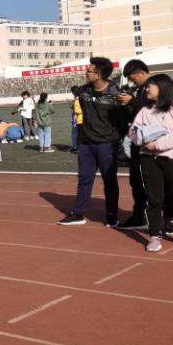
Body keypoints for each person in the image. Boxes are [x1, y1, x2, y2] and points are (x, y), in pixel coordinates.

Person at [129, 74, 173, 253]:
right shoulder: (145, 110)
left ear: (162, 87)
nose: (146, 89)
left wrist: (156, 144)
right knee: (154, 199)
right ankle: (154, 236)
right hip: (149, 159)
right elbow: (133, 132)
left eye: (150, 86)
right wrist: (141, 140)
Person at [60, 57, 128, 227]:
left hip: (107, 144)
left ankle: (112, 214)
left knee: (109, 180)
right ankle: (78, 213)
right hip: (86, 144)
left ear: (98, 74)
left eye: (89, 70)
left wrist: (115, 139)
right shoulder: (83, 91)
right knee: (84, 179)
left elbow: (122, 121)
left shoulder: (116, 94)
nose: (86, 73)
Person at [116, 59, 153, 231]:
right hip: (138, 141)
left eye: (133, 78)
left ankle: (170, 219)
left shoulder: (158, 85)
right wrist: (125, 105)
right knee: (136, 180)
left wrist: (132, 101)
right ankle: (139, 215)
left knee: (156, 183)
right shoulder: (138, 90)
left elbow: (153, 110)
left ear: (141, 73)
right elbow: (135, 114)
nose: (132, 82)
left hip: (155, 143)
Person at [69, 85, 82, 153]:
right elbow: (73, 108)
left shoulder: (80, 98)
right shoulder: (76, 98)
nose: (72, 93)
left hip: (79, 118)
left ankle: (78, 148)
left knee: (78, 133)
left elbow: (78, 109)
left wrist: (75, 110)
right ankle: (75, 146)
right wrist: (71, 105)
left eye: (72, 92)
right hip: (75, 118)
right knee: (74, 133)